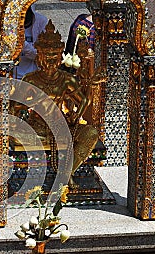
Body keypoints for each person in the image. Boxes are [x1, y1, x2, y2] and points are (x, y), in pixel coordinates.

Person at [21, 20, 99, 188]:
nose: (51, 61)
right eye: (47, 56)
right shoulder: (31, 80)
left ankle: (67, 172)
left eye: (55, 56)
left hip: (61, 123)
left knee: (91, 133)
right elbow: (15, 107)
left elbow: (84, 100)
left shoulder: (65, 79)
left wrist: (76, 115)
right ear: (39, 56)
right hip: (37, 126)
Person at [13, 5, 48, 80]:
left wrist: (23, 44)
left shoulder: (41, 21)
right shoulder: (7, 24)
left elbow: (43, 56)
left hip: (34, 75)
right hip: (11, 76)